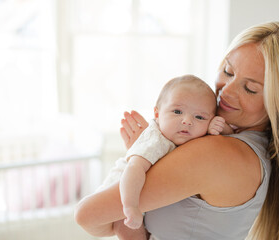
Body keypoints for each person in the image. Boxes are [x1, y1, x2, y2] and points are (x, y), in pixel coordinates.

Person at [75, 21, 279, 240]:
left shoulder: (216, 153)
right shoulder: (252, 150)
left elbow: (88, 216)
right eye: (228, 72)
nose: (226, 91)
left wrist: (145, 154)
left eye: (251, 89)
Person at [94, 74, 232, 238]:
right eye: (177, 111)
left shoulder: (195, 139)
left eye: (199, 117)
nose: (187, 120)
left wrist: (222, 129)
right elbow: (134, 169)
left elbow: (228, 142)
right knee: (124, 225)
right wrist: (131, 206)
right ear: (157, 114)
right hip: (124, 192)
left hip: (147, 201)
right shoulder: (155, 139)